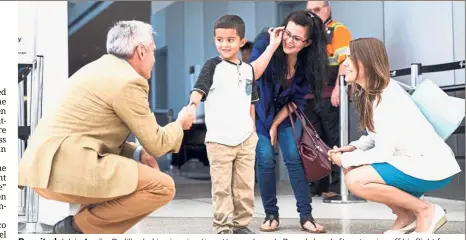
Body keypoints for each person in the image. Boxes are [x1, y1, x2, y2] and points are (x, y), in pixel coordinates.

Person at [18, 20, 195, 234]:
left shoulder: (96, 68)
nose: (154, 59)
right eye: (153, 51)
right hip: (67, 168)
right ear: (140, 51)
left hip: (44, 168)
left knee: (114, 193)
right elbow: (158, 144)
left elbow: (97, 134)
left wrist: (139, 153)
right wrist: (181, 123)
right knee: (162, 187)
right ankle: (72, 229)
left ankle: (80, 229)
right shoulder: (129, 81)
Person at [328, 37, 461, 234]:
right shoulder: (375, 93)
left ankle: (425, 211)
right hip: (417, 162)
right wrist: (354, 148)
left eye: (350, 57)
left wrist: (345, 158)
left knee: (354, 179)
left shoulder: (385, 98)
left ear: (365, 62)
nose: (344, 63)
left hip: (429, 166)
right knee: (351, 170)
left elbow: (383, 151)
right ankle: (406, 217)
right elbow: (378, 134)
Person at [249, 10, 329, 233]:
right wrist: (273, 46)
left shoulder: (308, 63)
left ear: (307, 42)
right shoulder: (267, 42)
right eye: (287, 33)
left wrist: (275, 125)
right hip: (257, 114)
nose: (289, 40)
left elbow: (297, 101)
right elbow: (252, 75)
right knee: (265, 159)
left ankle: (306, 216)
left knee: (294, 158)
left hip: (284, 115)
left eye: (297, 38)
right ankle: (271, 215)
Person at [187, 15, 259, 234]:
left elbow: (251, 101)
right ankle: (222, 226)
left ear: (241, 41)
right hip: (219, 140)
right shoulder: (212, 66)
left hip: (246, 138)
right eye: (219, 39)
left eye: (230, 39)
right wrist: (191, 106)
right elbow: (199, 89)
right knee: (221, 189)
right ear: (214, 40)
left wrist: (253, 131)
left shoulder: (248, 70)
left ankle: (242, 225)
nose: (224, 44)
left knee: (245, 187)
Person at [305, 0, 352, 197]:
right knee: (314, 142)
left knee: (335, 140)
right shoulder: (308, 33)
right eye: (309, 11)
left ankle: (339, 187)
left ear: (328, 9)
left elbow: (345, 61)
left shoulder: (338, 30)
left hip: (329, 95)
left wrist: (338, 90)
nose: (313, 15)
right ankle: (319, 186)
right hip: (309, 96)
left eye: (317, 10)